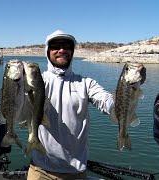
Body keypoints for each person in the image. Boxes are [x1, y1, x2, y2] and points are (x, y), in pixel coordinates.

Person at [27, 29, 114, 180]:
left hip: (75, 173)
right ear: (47, 51)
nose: (61, 50)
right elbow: (19, 111)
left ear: (72, 51)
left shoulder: (86, 83)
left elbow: (107, 102)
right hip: (39, 170)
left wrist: (128, 89)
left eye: (67, 46)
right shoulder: (37, 80)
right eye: (55, 46)